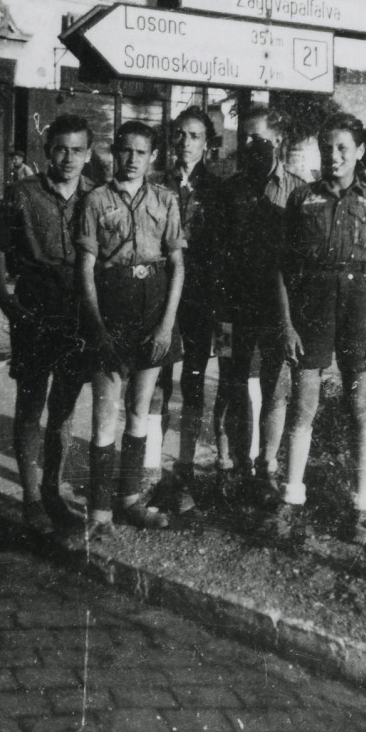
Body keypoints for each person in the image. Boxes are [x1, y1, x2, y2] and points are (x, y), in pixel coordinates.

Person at [274, 113, 366, 550]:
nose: (334, 155)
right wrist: (288, 324)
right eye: (327, 147)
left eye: (343, 147)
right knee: (303, 405)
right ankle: (291, 502)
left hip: (359, 307)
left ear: (360, 152)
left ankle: (362, 508)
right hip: (313, 306)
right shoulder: (302, 197)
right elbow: (283, 267)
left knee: (359, 406)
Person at [0, 116, 93, 538]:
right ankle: (31, 499)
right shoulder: (23, 193)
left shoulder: (95, 196)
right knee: (31, 404)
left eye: (77, 150)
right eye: (61, 149)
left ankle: (53, 491)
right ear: (48, 151)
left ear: (88, 154)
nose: (68, 158)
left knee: (64, 406)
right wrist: (4, 299)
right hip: (33, 310)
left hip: (76, 312)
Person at [77, 120, 185, 532]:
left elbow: (177, 265)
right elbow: (85, 267)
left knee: (140, 410)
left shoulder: (166, 199)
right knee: (105, 415)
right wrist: (97, 326)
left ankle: (130, 499)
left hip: (153, 305)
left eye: (142, 152)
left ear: (153, 156)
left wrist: (166, 325)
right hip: (111, 303)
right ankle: (99, 511)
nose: (133, 159)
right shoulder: (96, 200)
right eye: (125, 150)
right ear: (114, 152)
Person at [217, 106, 300, 509]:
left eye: (258, 137)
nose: (249, 144)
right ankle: (237, 468)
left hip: (276, 307)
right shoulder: (229, 189)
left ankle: (267, 469)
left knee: (275, 387)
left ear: (278, 141)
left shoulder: (298, 190)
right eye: (244, 137)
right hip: (231, 306)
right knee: (232, 384)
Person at [153, 107, 228, 519]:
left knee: (194, 382)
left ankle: (184, 469)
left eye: (195, 136)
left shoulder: (216, 189)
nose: (186, 143)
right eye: (180, 134)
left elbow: (221, 251)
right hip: (161, 294)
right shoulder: (155, 183)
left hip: (199, 297)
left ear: (207, 143)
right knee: (157, 381)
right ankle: (152, 468)